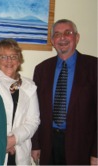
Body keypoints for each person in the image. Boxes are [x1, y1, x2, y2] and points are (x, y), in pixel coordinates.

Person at [31, 19, 97, 165]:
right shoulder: (42, 69)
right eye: (57, 34)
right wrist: (35, 144)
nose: (62, 38)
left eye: (68, 33)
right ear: (52, 40)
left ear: (77, 37)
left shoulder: (94, 67)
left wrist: (96, 152)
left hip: (82, 146)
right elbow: (34, 110)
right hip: (49, 144)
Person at [0, 38, 40, 165]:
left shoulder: (29, 86)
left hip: (20, 150)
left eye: (13, 56)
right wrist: (2, 143)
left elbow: (33, 120)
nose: (9, 61)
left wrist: (13, 139)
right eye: (3, 57)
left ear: (19, 60)